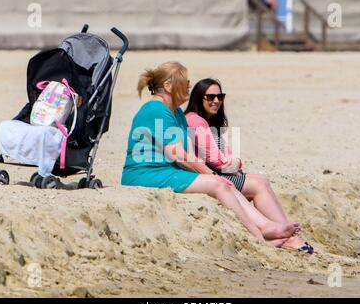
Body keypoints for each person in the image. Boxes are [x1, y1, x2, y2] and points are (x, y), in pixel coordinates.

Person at [121, 62, 300, 245]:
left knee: (225, 183)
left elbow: (190, 154)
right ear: (168, 86)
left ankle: (267, 225)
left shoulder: (177, 114)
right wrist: (211, 174)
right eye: (186, 83)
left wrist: (213, 175)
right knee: (219, 183)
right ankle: (259, 238)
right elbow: (179, 155)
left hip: (168, 171)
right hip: (145, 174)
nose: (189, 87)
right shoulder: (155, 109)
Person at [184, 78, 315, 254]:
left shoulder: (209, 122)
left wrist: (233, 162)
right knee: (259, 183)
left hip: (220, 174)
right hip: (212, 177)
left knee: (260, 181)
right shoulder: (195, 120)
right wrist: (233, 163)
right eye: (210, 97)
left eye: (219, 96)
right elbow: (219, 161)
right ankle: (288, 237)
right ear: (199, 98)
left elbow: (230, 158)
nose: (216, 101)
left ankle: (285, 234)